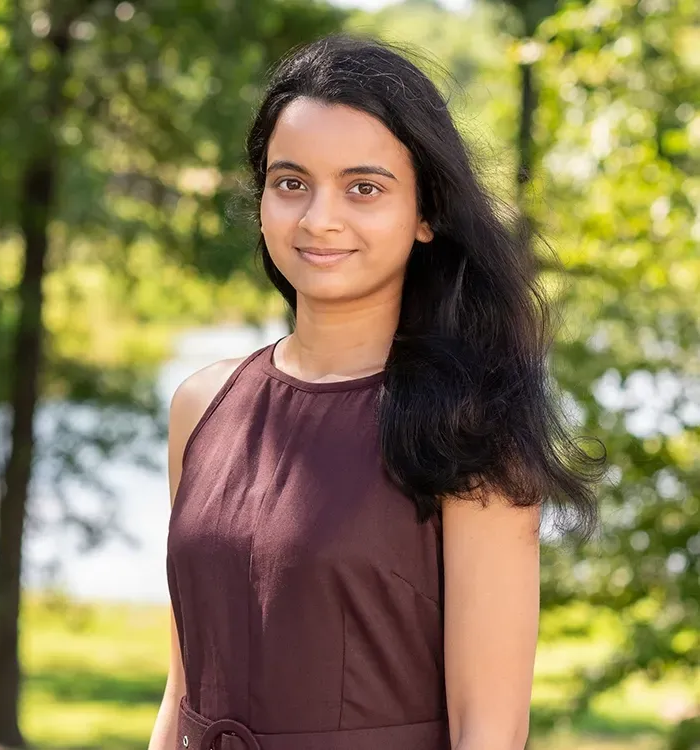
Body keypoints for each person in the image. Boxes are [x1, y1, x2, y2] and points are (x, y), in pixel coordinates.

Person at [148, 32, 605, 750]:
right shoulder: (201, 407)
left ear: (425, 214)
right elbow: (182, 689)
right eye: (290, 182)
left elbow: (488, 729)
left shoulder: (468, 430)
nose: (317, 218)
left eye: (363, 188)